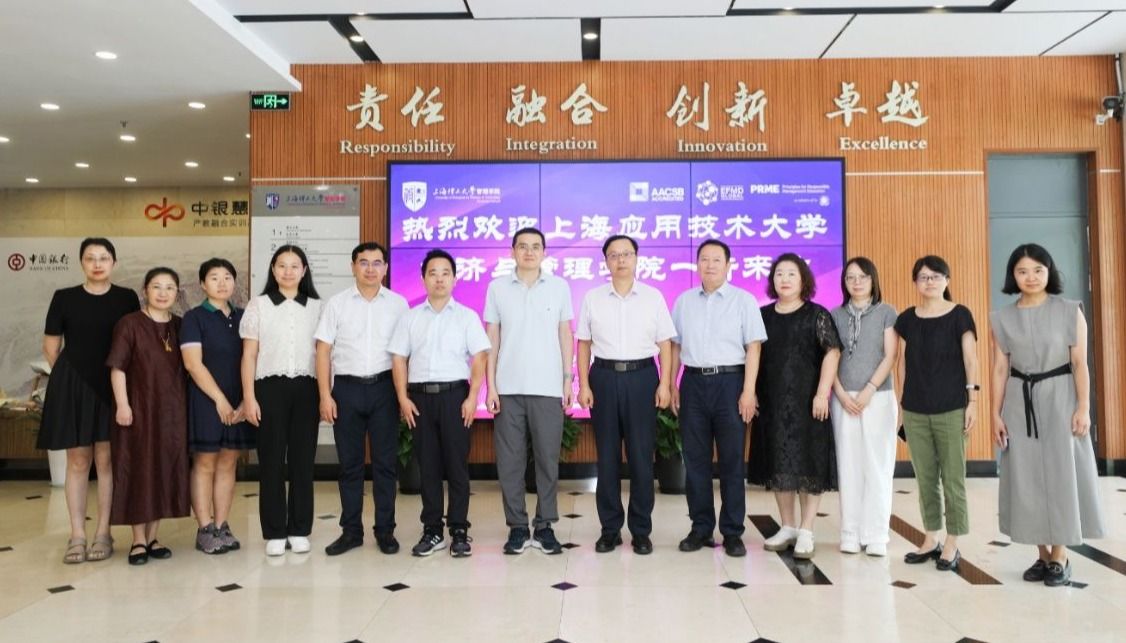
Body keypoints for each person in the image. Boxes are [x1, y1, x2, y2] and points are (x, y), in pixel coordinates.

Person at [990, 243, 1104, 587]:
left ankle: (1060, 555)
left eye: (1038, 270)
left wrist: (1083, 407)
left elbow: (1080, 363)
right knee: (1026, 477)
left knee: (1061, 473)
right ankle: (1041, 554)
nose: (1031, 277)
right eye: (1022, 271)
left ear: (1049, 272)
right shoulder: (1002, 317)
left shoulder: (1070, 311)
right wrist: (995, 413)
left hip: (1060, 396)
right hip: (1019, 399)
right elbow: (1000, 368)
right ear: (1012, 276)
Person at [38, 237, 139, 564]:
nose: (97, 264)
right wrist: (71, 380)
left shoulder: (126, 297)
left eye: (104, 258)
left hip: (113, 385)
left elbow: (133, 343)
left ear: (114, 263)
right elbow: (51, 348)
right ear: (82, 262)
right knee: (78, 461)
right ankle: (77, 535)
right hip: (75, 386)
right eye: (91, 258)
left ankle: (104, 533)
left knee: (107, 461)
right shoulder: (64, 297)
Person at [576, 235, 675, 555]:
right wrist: (584, 384)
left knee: (641, 458)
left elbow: (665, 344)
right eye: (614, 255)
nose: (621, 260)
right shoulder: (593, 297)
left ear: (636, 258)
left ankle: (641, 530)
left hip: (643, 377)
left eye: (627, 254)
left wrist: (664, 384)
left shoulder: (652, 297)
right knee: (606, 458)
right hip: (603, 378)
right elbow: (583, 344)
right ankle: (610, 530)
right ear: (606, 261)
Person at [389, 249, 490, 558]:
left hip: (455, 397)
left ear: (455, 279)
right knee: (428, 466)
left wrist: (473, 397)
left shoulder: (466, 316)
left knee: (457, 466)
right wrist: (402, 398)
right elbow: (398, 358)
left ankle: (458, 529)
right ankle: (432, 530)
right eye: (433, 273)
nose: (439, 279)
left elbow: (480, 357)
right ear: (423, 279)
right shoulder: (410, 317)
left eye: (445, 273)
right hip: (419, 399)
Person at [670, 240, 766, 558]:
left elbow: (754, 347)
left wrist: (748, 391)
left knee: (732, 461)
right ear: (697, 264)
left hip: (731, 383)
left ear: (728, 265)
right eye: (704, 259)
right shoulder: (684, 301)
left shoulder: (743, 300)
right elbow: (675, 347)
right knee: (695, 460)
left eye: (716, 260)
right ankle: (700, 528)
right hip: (693, 383)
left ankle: (732, 532)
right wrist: (671, 384)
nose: (709, 265)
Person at [484, 227, 574, 556]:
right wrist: (491, 386)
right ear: (512, 252)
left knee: (547, 461)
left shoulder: (559, 287)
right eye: (523, 246)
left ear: (544, 253)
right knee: (510, 462)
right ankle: (518, 527)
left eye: (536, 246)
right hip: (508, 388)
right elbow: (492, 339)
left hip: (548, 388)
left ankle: (545, 525)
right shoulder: (497, 288)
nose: (529, 252)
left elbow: (565, 334)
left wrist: (568, 380)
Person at [315, 242, 408, 556]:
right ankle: (351, 531)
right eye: (364, 262)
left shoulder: (398, 304)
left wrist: (402, 395)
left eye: (377, 263)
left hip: (384, 389)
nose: (370, 269)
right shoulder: (337, 304)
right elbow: (323, 351)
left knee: (385, 465)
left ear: (386, 268)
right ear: (353, 266)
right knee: (350, 465)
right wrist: (325, 395)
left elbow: (404, 354)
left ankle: (385, 531)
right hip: (346, 390)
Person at [748, 253, 842, 559]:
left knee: (808, 465)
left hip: (809, 403)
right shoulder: (763, 316)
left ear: (803, 280)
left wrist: (822, 393)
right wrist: (751, 391)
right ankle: (787, 526)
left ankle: (806, 529)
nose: (784, 279)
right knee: (780, 464)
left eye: (791, 274)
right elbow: (753, 354)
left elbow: (832, 353)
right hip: (773, 403)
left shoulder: (817, 314)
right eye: (779, 274)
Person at [895, 255, 979, 572]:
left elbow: (971, 360)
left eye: (935, 276)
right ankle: (931, 537)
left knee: (953, 478)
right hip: (915, 410)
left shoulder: (960, 315)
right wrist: (901, 406)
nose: (929, 281)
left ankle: (953, 541)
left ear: (947, 280)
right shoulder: (907, 319)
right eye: (923, 277)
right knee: (926, 478)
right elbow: (901, 364)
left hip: (952, 408)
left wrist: (973, 401)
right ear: (915, 282)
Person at [240, 245, 323, 557]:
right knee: (271, 460)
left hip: (307, 389)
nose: (288, 271)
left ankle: (300, 529)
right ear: (273, 270)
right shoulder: (259, 305)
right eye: (282, 265)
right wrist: (249, 397)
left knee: (303, 461)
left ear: (304, 271)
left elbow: (325, 356)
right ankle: (275, 531)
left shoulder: (318, 307)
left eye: (294, 266)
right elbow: (249, 356)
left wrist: (325, 395)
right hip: (269, 388)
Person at [107, 267, 191, 565]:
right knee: (139, 470)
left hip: (172, 413)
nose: (163, 293)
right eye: (157, 286)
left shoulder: (181, 326)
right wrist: (122, 405)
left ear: (177, 293)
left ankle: (154, 536)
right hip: (138, 409)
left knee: (164, 470)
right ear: (145, 290)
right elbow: (117, 368)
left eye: (169, 287)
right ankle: (138, 540)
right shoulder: (129, 324)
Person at [181, 258, 254, 555]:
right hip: (206, 399)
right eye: (214, 277)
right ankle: (205, 528)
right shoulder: (194, 318)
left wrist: (245, 399)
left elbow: (254, 358)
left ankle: (222, 525)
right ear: (202, 284)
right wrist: (220, 400)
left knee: (228, 461)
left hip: (239, 401)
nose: (222, 283)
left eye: (227, 277)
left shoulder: (244, 316)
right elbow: (192, 364)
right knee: (205, 462)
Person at [829, 257, 898, 557]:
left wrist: (870, 389)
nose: (856, 282)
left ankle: (876, 535)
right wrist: (840, 393)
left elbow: (890, 355)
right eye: (850, 277)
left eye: (863, 277)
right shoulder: (834, 314)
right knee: (848, 465)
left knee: (878, 466)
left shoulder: (886, 312)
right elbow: (829, 358)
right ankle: (850, 532)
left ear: (873, 280)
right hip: (843, 398)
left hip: (878, 397)